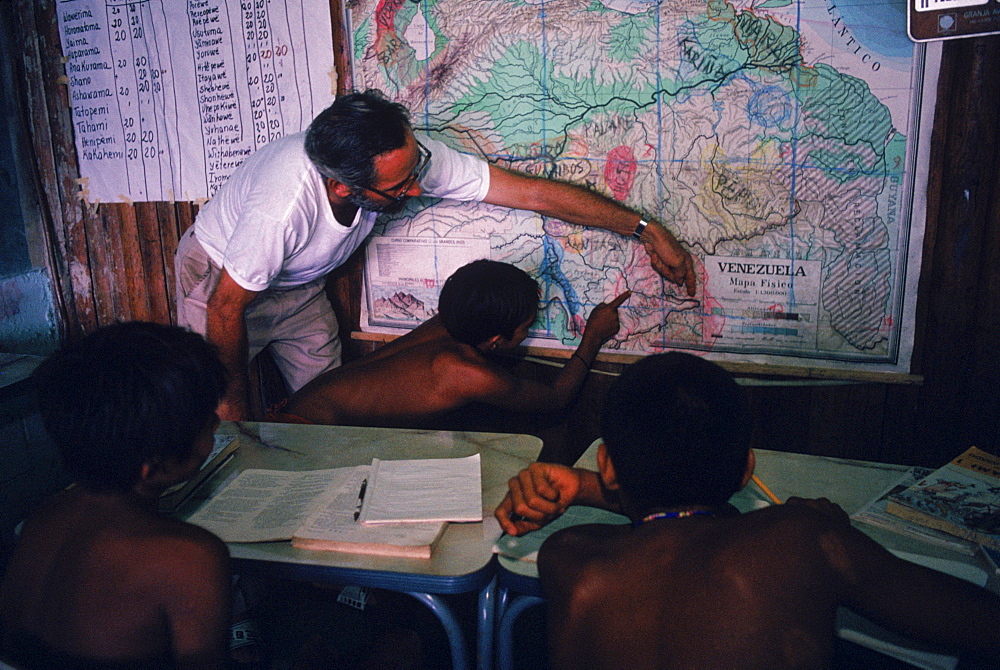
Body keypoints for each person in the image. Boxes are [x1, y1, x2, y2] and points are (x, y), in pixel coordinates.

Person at [175, 89, 696, 420]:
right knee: (215, 419)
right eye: (401, 187)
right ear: (342, 187)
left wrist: (646, 228)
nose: (419, 185)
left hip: (298, 284)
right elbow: (226, 309)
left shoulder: (403, 159)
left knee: (322, 415)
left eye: (416, 165)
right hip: (224, 280)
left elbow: (534, 194)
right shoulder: (282, 204)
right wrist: (235, 429)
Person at [494, 353, 1000, 669]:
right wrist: (828, 532)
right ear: (746, 471)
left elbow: (662, 525)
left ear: (606, 465)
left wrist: (586, 486)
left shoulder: (567, 558)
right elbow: (978, 624)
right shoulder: (801, 538)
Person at [0, 322, 232, 669]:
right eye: (204, 421)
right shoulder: (189, 558)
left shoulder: (42, 518)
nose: (216, 423)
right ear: (150, 466)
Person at [272, 259, 629, 426]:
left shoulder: (452, 321)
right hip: (304, 435)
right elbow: (554, 399)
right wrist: (593, 337)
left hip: (303, 409)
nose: (526, 331)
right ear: (494, 339)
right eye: (525, 326)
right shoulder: (463, 371)